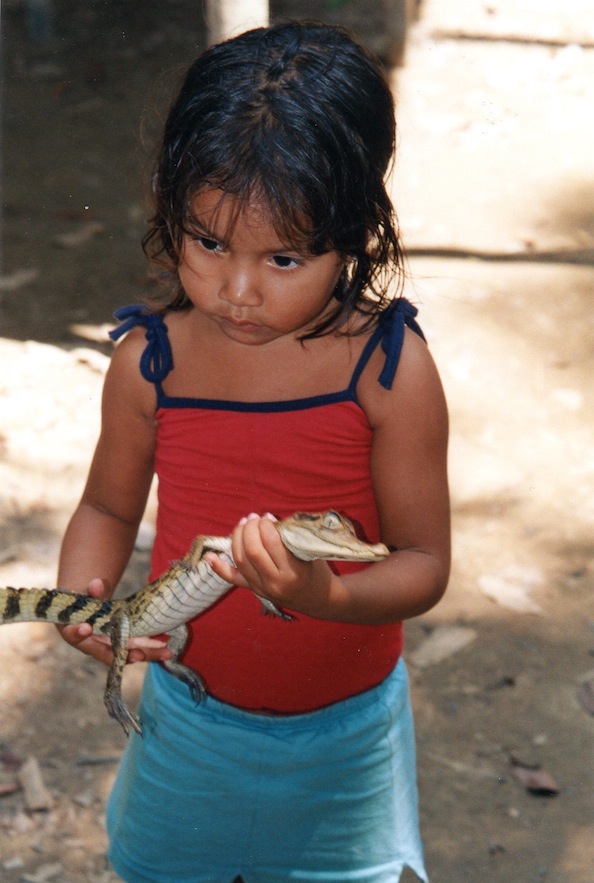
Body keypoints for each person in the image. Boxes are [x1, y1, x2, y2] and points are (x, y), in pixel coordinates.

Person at [57, 20, 450, 883]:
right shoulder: (149, 363)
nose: (237, 290)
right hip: (187, 722)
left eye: (283, 257)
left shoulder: (390, 371)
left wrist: (322, 594)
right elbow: (108, 507)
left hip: (347, 739)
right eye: (208, 243)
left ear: (353, 232)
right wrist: (82, 599)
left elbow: (423, 564)